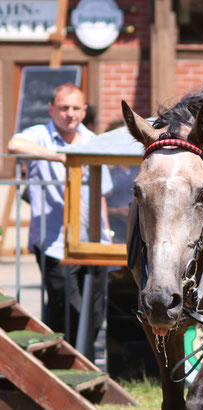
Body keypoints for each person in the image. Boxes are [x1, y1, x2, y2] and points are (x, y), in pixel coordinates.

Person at [7, 83, 113, 360]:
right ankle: (62, 363)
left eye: (76, 108)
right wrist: (60, 157)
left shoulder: (92, 139)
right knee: (66, 305)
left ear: (84, 110)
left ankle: (83, 362)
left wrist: (107, 234)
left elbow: (101, 191)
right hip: (54, 241)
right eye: (64, 108)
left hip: (94, 240)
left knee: (94, 309)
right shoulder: (41, 134)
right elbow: (14, 144)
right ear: (52, 109)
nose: (70, 114)